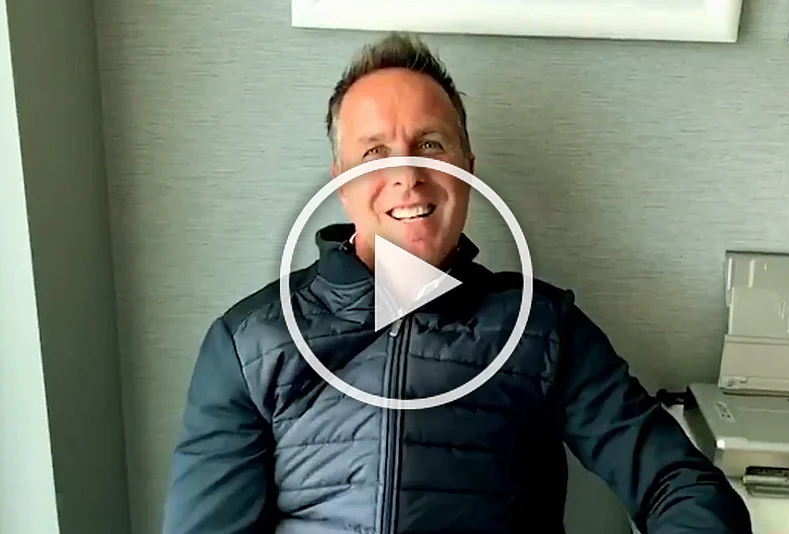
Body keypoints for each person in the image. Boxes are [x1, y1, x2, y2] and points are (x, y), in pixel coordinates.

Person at [161, 32, 752, 534]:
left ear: (467, 169)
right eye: (375, 153)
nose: (408, 175)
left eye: (431, 145)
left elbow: (681, 486)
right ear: (341, 183)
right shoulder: (248, 341)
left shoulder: (544, 328)